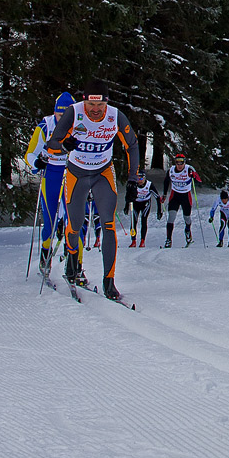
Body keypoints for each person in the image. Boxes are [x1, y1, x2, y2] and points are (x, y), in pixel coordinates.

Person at [45, 79, 140, 301]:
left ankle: (109, 282)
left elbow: (132, 145)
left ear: (106, 103)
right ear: (84, 102)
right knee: (75, 224)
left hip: (102, 173)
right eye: (91, 106)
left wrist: (133, 179)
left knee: (108, 224)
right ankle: (72, 262)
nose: (95, 111)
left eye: (100, 106)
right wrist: (64, 144)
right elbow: (53, 143)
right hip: (77, 174)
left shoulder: (115, 116)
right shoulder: (73, 112)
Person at [24, 91, 75, 272]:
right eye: (60, 115)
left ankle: (74, 263)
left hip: (71, 173)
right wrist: (37, 162)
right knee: (50, 221)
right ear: (55, 112)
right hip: (51, 173)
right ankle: (45, 254)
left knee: (74, 221)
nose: (63, 119)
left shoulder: (79, 125)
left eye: (66, 115)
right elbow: (30, 153)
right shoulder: (46, 125)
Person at [162, 152, 203, 247]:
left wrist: (193, 175)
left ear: (184, 162)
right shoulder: (171, 170)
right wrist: (164, 194)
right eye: (177, 163)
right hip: (175, 195)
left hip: (186, 196)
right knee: (171, 217)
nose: (179, 165)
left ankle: (188, 231)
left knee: (186, 217)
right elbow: (166, 182)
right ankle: (168, 240)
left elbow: (199, 180)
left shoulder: (188, 168)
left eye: (181, 163)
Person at [128, 169, 162, 247]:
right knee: (133, 222)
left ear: (144, 178)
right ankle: (133, 241)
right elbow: (128, 196)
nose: (139, 181)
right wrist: (127, 207)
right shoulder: (133, 184)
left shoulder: (149, 184)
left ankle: (142, 241)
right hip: (135, 203)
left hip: (145, 203)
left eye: (140, 178)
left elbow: (157, 197)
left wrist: (159, 211)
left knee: (144, 220)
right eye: (137, 178)